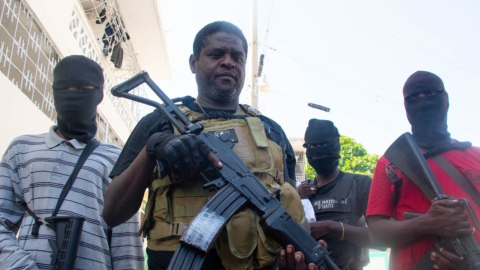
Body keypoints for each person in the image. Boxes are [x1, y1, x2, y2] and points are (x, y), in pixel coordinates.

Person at [103, 21, 303, 270]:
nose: (229, 62)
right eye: (216, 54)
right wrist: (152, 149)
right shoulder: (159, 122)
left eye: (237, 57)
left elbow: (289, 211)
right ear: (193, 63)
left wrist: (297, 257)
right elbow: (112, 213)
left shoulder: (271, 130)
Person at [0, 55, 144, 269]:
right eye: (66, 88)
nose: (74, 95)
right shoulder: (21, 149)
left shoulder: (116, 159)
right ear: (54, 91)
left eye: (83, 88)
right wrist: (21, 265)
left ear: (99, 94)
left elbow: (126, 246)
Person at [367, 71, 480, 270]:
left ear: (445, 99)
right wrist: (428, 223)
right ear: (405, 107)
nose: (423, 102)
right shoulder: (391, 163)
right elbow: (376, 233)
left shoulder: (476, 155)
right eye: (413, 98)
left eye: (430, 94)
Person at [297, 119, 372, 270]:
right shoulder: (299, 192)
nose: (317, 150)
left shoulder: (360, 184)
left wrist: (334, 227)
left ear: (336, 146)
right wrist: (295, 197)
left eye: (323, 145)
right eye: (312, 146)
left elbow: (381, 239)